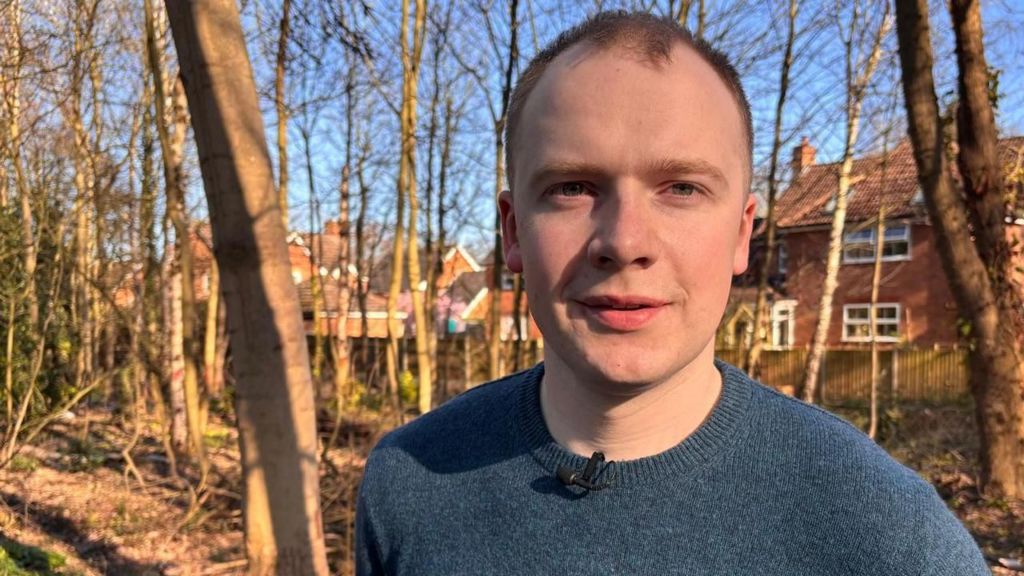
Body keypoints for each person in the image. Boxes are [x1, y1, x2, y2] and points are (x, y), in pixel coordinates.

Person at [355, 11, 989, 575]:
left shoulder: (885, 529)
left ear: (743, 235)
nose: (625, 241)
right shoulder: (408, 483)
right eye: (573, 187)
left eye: (682, 188)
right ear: (513, 231)